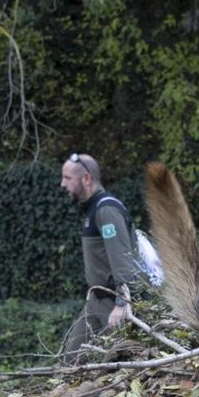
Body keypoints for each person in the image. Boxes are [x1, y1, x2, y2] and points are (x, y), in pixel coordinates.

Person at [60, 152, 141, 355]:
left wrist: (122, 303)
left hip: (113, 301)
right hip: (96, 300)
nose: (62, 184)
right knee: (71, 357)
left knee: (122, 359)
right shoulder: (93, 209)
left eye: (67, 178)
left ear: (86, 179)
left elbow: (121, 256)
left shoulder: (106, 210)